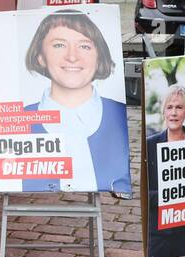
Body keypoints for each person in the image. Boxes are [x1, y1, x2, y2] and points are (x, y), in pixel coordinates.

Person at [22, 12, 130, 194]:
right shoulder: (19, 121)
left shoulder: (119, 114)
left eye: (85, 46)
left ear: (99, 57)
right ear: (40, 56)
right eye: (59, 45)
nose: (72, 56)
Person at [144, 84, 185, 257]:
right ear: (163, 112)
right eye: (169, 107)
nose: (174, 113)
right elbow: (145, 194)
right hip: (158, 231)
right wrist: (174, 196)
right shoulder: (150, 145)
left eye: (179, 107)